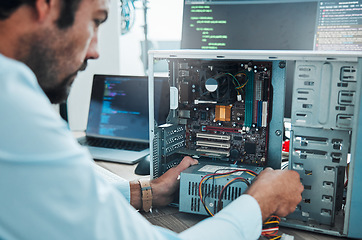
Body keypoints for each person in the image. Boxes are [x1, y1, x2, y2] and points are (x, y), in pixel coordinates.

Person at [0, 0, 304, 239]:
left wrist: (151, 191)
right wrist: (260, 203)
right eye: (95, 21)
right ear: (46, 4)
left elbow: (60, 197)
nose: (94, 51)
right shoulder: (11, 101)